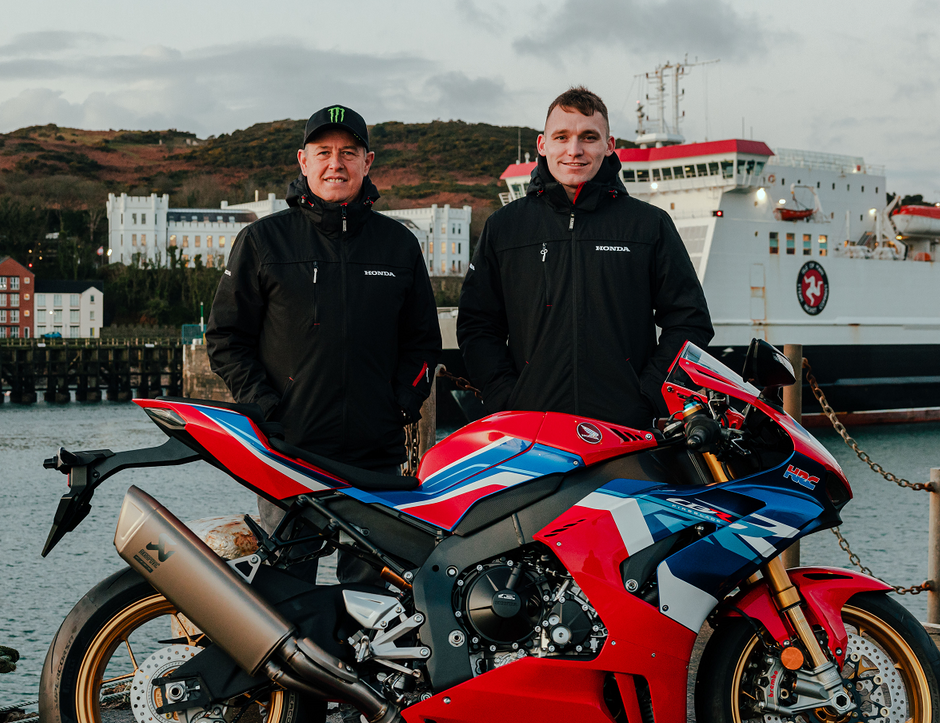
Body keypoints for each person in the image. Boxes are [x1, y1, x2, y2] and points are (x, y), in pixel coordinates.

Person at [457, 86, 713, 429]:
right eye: (561, 137)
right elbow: (477, 324)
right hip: (531, 429)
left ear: (609, 146)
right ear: (542, 145)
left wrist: (650, 394)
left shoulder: (648, 226)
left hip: (627, 430)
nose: (574, 150)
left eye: (589, 137)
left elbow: (690, 320)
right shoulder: (505, 228)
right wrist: (505, 396)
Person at [207, 103, 439, 477]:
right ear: (303, 161)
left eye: (348, 153)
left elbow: (423, 341)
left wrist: (402, 403)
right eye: (323, 153)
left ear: (367, 162)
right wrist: (264, 408)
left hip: (376, 457)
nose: (336, 164)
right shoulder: (262, 241)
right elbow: (225, 338)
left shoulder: (400, 245)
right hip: (287, 455)